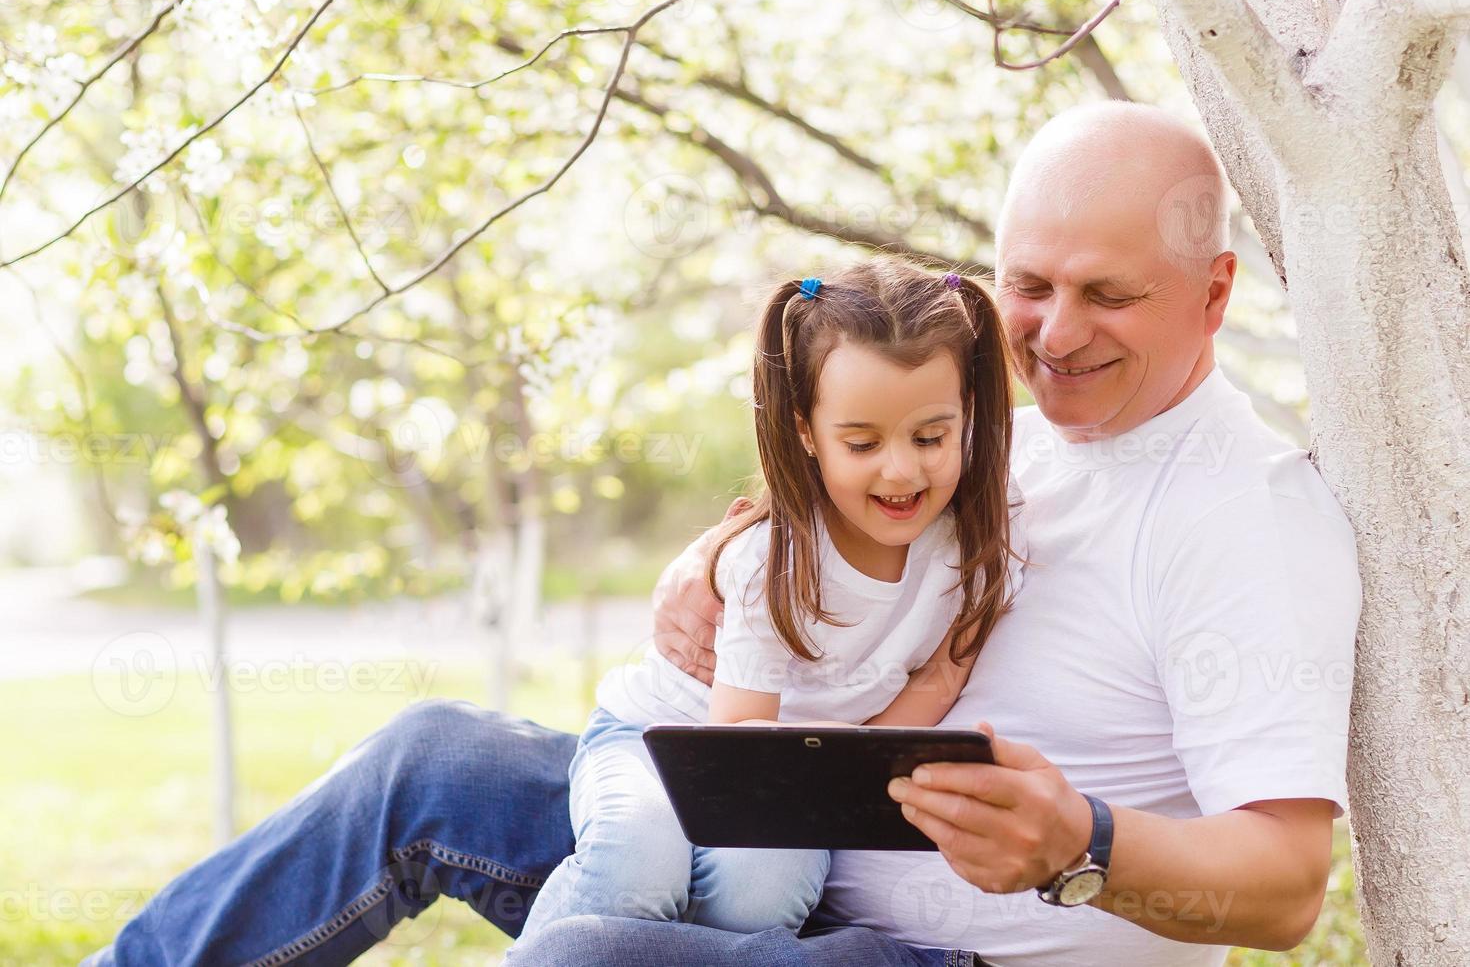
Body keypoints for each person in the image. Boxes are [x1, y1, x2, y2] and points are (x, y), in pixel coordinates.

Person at [88, 101, 1361, 967]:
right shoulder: (997, 436)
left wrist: (1082, 843)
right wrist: (707, 559)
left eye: (1109, 293)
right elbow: (833, 504)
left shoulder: (1241, 514)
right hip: (770, 836)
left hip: (934, 953)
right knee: (432, 756)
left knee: (586, 953)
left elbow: (1287, 881)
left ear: (1215, 292)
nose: (1053, 330)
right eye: (1029, 283)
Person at [513, 261, 1022, 952]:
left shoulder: (979, 536)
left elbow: (939, 679)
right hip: (667, 741)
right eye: (863, 443)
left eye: (930, 437)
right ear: (806, 432)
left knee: (768, 888)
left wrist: (849, 766)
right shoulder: (773, 560)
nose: (902, 471)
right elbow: (735, 754)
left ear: (968, 413)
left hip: (789, 774)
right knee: (640, 860)